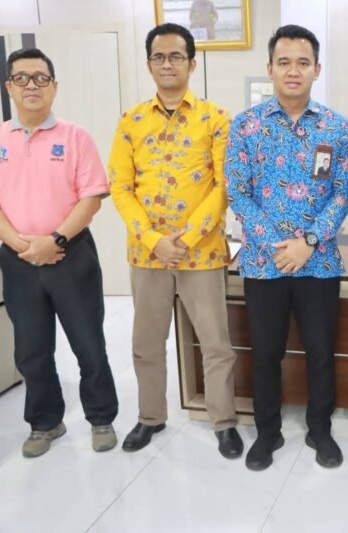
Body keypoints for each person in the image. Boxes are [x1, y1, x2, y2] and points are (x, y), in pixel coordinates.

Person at [0, 48, 118, 458]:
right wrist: (24, 246)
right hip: (18, 261)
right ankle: (45, 421)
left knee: (88, 343)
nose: (31, 85)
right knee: (31, 350)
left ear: (54, 86)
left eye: (40, 77)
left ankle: (101, 417)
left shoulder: (76, 138)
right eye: (21, 78)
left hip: (72, 256)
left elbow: (91, 198)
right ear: (9, 87)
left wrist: (54, 241)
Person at [108, 23, 241, 459]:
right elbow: (120, 187)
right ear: (149, 64)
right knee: (146, 343)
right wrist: (153, 239)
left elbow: (224, 185)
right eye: (159, 57)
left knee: (215, 343)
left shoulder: (216, 118)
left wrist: (186, 237)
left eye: (176, 56)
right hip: (147, 254)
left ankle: (223, 421)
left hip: (201, 253)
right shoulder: (130, 121)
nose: (167, 64)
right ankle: (150, 417)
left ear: (192, 63)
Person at [225, 24, 348, 471]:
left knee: (321, 353)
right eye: (284, 62)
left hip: (319, 263)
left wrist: (308, 243)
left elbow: (344, 192)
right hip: (264, 264)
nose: (293, 71)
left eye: (303, 62)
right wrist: (279, 246)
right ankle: (268, 432)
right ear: (270, 69)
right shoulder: (246, 125)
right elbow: (238, 192)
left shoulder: (336, 127)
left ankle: (320, 430)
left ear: (317, 69)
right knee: (266, 355)